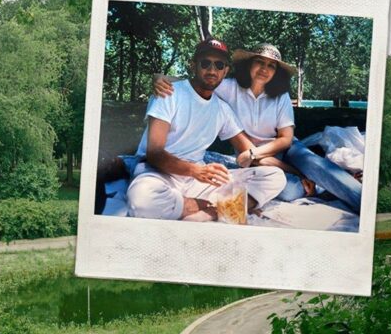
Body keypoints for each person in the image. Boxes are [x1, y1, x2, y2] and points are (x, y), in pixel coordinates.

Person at [153, 43, 362, 213]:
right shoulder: (229, 87)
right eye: (259, 62)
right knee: (289, 192)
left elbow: (286, 138)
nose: (264, 69)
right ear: (249, 65)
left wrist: (290, 167)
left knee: (314, 165)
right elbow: (191, 82)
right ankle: (322, 186)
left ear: (276, 72)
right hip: (255, 159)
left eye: (271, 66)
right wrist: (159, 79)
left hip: (285, 149)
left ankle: (365, 202)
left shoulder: (280, 97)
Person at [127, 38, 286, 221]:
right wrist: (196, 171)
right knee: (141, 202)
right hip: (159, 173)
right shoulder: (169, 93)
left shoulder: (222, 109)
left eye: (219, 65)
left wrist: (297, 173)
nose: (212, 70)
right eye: (205, 63)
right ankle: (215, 208)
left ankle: (199, 207)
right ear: (193, 65)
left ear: (225, 70)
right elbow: (154, 153)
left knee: (275, 177)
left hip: (198, 181)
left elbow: (251, 151)